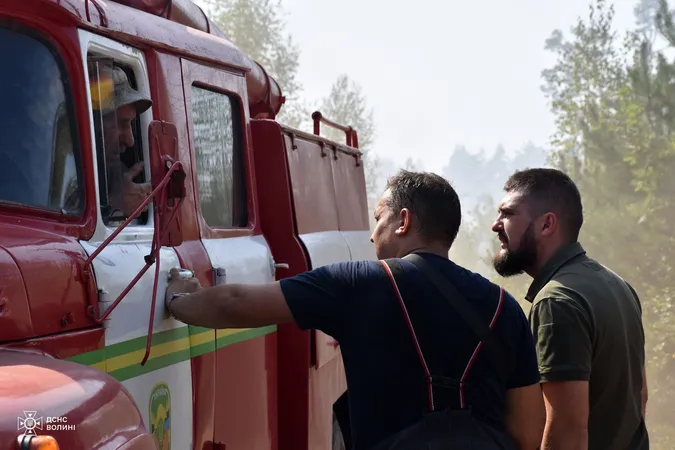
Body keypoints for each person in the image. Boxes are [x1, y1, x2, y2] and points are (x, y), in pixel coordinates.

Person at [165, 170, 545, 450]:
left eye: (378, 217)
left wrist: (182, 299)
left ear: (403, 221)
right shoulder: (504, 308)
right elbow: (529, 433)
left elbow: (237, 305)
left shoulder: (356, 283)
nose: (371, 232)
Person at [491, 167, 649, 450]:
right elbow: (641, 397)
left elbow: (566, 433)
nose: (496, 225)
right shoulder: (619, 285)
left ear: (546, 224)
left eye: (508, 213)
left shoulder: (557, 301)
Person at [90, 64, 153, 218]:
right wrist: (115, 208)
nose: (131, 140)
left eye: (130, 124)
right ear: (93, 124)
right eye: (121, 124)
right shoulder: (61, 171)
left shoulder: (117, 173)